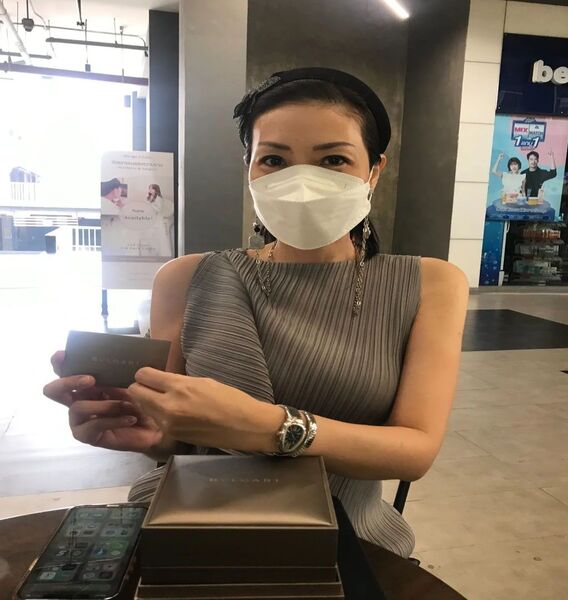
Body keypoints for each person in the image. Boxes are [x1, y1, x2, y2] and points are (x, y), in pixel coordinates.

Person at [43, 68, 469, 559]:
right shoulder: (188, 278)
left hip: (347, 539)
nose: (302, 182)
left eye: (333, 159)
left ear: (374, 170)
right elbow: (170, 438)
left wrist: (264, 426)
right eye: (274, 160)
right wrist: (139, 427)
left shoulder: (430, 283)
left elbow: (415, 451)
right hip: (195, 526)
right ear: (248, 169)